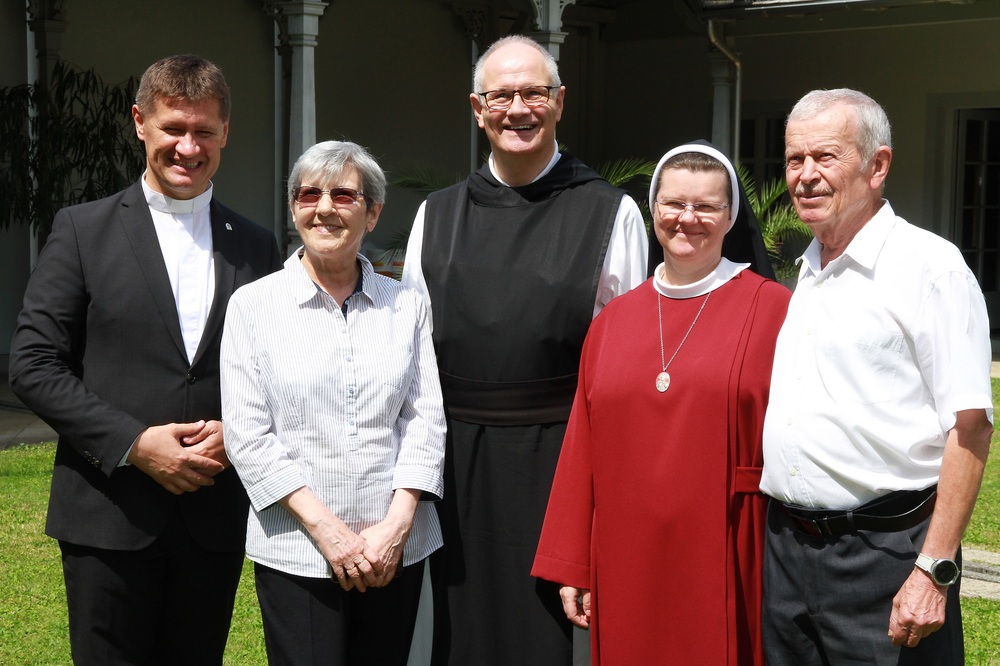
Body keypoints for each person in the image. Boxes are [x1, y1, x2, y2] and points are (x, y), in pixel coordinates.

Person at [8, 54, 282, 664]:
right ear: (140, 122)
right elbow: (33, 364)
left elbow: (275, 370)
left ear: (225, 132)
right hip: (108, 513)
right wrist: (135, 443)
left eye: (204, 131)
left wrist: (234, 434)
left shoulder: (258, 245)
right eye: (173, 129)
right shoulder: (83, 230)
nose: (189, 147)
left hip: (213, 516)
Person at [401, 34, 648, 665]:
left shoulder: (608, 212)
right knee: (453, 632)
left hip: (562, 455)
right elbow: (407, 355)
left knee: (551, 631)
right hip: (453, 462)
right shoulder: (436, 215)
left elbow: (623, 365)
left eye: (534, 93)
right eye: (502, 95)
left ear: (559, 102)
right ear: (477, 109)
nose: (519, 109)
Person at [532, 142, 790, 665]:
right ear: (653, 211)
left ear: (730, 215)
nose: (687, 219)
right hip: (627, 550)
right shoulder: (612, 321)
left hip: (732, 542)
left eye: (706, 206)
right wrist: (573, 562)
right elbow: (583, 442)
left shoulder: (773, 308)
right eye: (673, 203)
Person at [759, 88, 993, 665]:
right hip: (787, 554)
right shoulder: (807, 270)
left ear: (877, 166)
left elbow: (971, 427)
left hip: (886, 558)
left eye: (826, 157)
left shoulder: (930, 268)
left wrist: (934, 570)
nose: (806, 176)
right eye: (794, 160)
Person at [220, 140, 446, 666]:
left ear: (373, 213)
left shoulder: (406, 306)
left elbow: (424, 421)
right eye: (309, 194)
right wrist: (329, 533)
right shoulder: (253, 307)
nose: (324, 208)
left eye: (344, 195)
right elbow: (249, 436)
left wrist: (395, 526)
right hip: (297, 550)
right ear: (294, 207)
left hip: (394, 551)